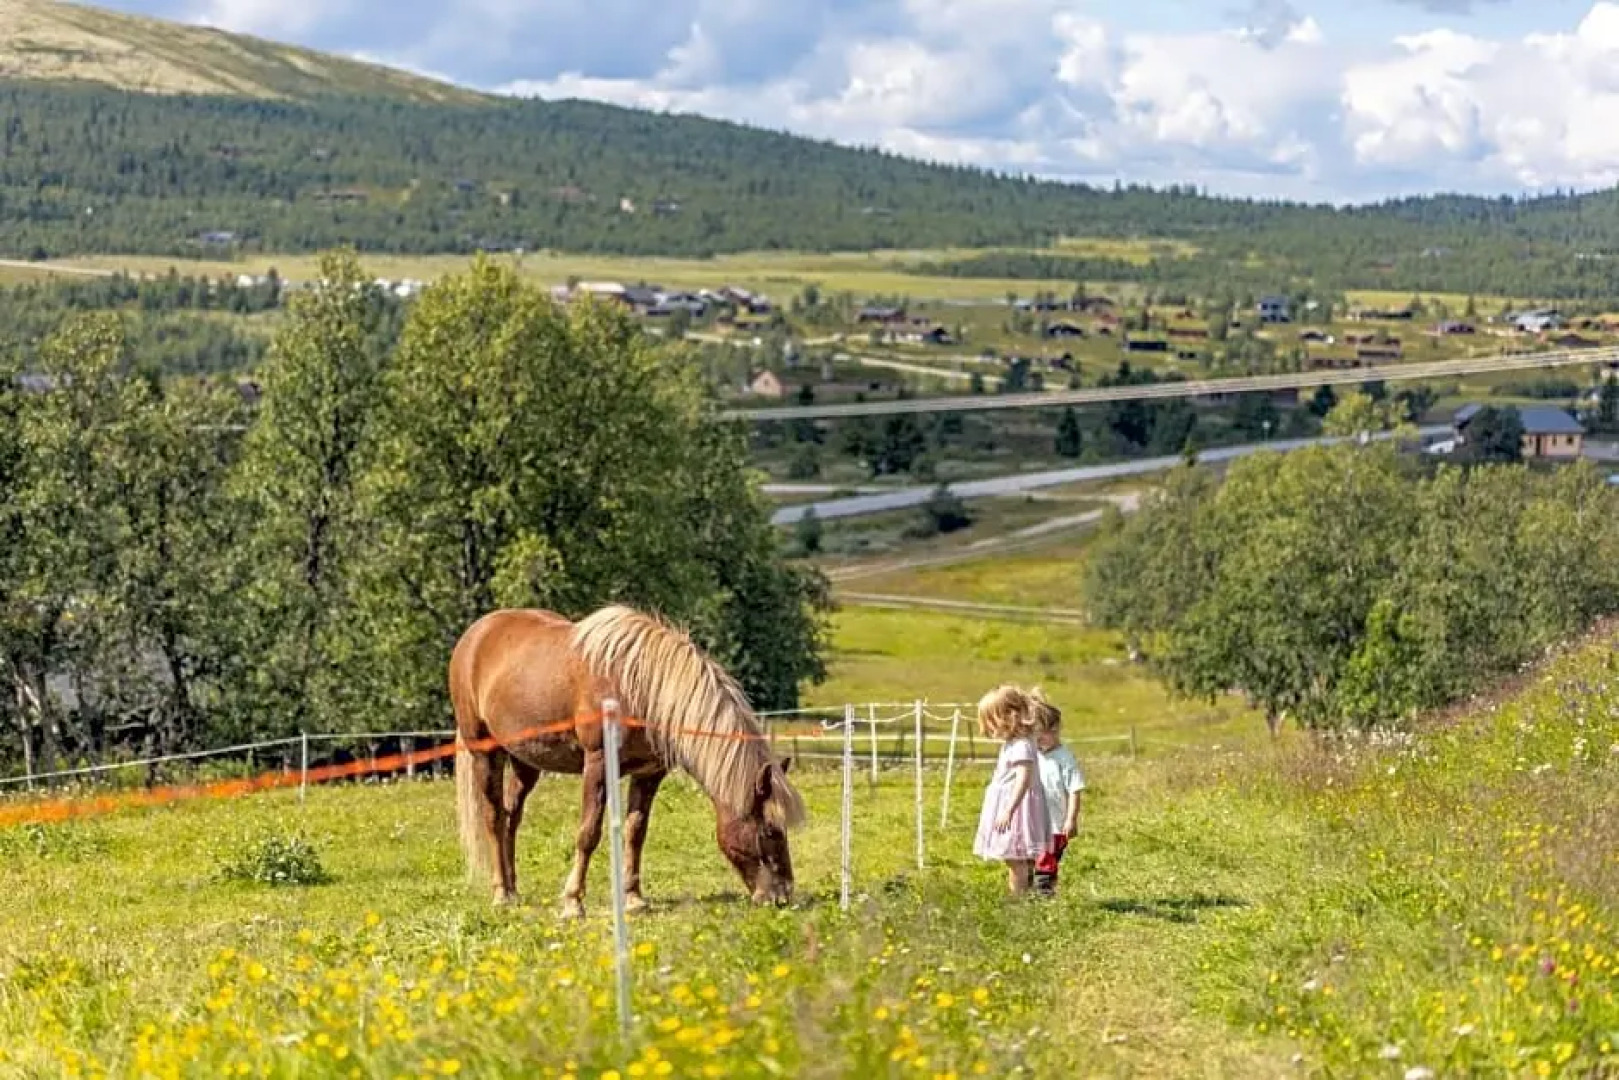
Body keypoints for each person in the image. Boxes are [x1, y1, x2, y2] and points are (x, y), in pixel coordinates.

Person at [972, 684, 1051, 895]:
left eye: (990, 721)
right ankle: (1032, 892)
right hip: (1013, 804)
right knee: (1018, 858)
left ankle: (1019, 900)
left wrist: (1009, 809)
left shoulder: (1021, 746)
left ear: (1009, 717)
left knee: (1015, 859)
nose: (987, 728)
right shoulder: (1014, 743)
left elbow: (1023, 778)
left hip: (1017, 808)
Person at [1030, 689, 1085, 896]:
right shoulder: (1033, 755)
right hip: (1034, 820)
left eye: (1041, 735)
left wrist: (1071, 819)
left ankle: (1044, 898)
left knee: (1046, 862)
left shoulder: (1064, 758)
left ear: (1054, 730)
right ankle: (1032, 893)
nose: (1038, 740)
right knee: (1033, 859)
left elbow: (1074, 790)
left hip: (1055, 824)